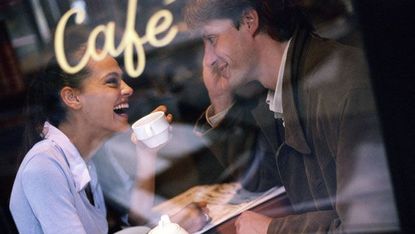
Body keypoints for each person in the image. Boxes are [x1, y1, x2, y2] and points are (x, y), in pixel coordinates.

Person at [185, 0, 399, 233]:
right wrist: (220, 100)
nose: (208, 60)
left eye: (211, 39)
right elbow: (261, 179)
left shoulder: (341, 89)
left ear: (249, 21)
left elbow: (371, 226)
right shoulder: (279, 85)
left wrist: (272, 230)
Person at [9, 38, 208, 233]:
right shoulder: (43, 166)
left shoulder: (91, 152)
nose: (128, 89)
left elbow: (135, 217)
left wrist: (146, 153)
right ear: (72, 97)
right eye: (112, 82)